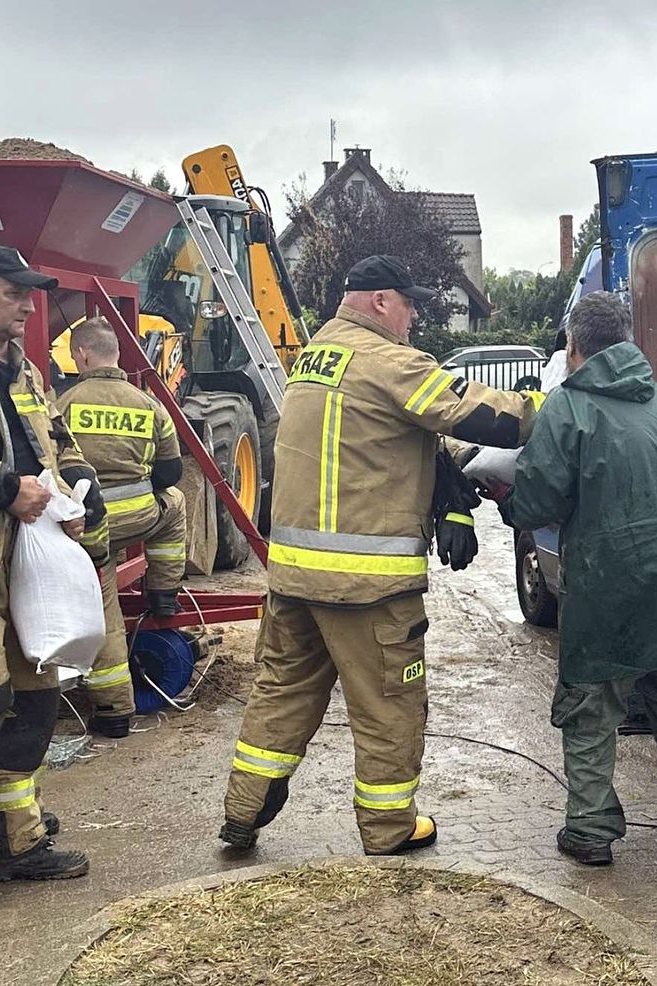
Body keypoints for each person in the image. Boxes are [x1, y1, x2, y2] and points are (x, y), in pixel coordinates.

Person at [220, 255, 543, 856]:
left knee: (282, 692)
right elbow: (469, 411)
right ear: (379, 301)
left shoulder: (318, 355)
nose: (416, 315)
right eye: (410, 302)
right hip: (366, 587)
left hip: (294, 577)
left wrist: (449, 502)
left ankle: (242, 812)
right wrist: (548, 410)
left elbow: (399, 437)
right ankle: (390, 828)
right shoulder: (387, 360)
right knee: (390, 706)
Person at [495, 292, 657, 866]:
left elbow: (536, 501)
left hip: (606, 585)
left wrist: (506, 494)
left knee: (590, 708)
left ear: (574, 346)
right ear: (627, 341)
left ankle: (590, 832)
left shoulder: (567, 407)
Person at [0, 244, 104, 906]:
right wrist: (4, 486)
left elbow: (59, 444)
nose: (30, 304)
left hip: (28, 565)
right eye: (15, 292)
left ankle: (18, 839)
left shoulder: (28, 372)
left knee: (35, 701)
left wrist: (83, 484)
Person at [55, 316, 187, 739]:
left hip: (86, 530)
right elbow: (170, 472)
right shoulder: (149, 405)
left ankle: (113, 712)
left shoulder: (64, 404)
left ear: (82, 354)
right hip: (140, 518)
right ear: (117, 354)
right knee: (176, 503)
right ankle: (164, 594)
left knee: (106, 612)